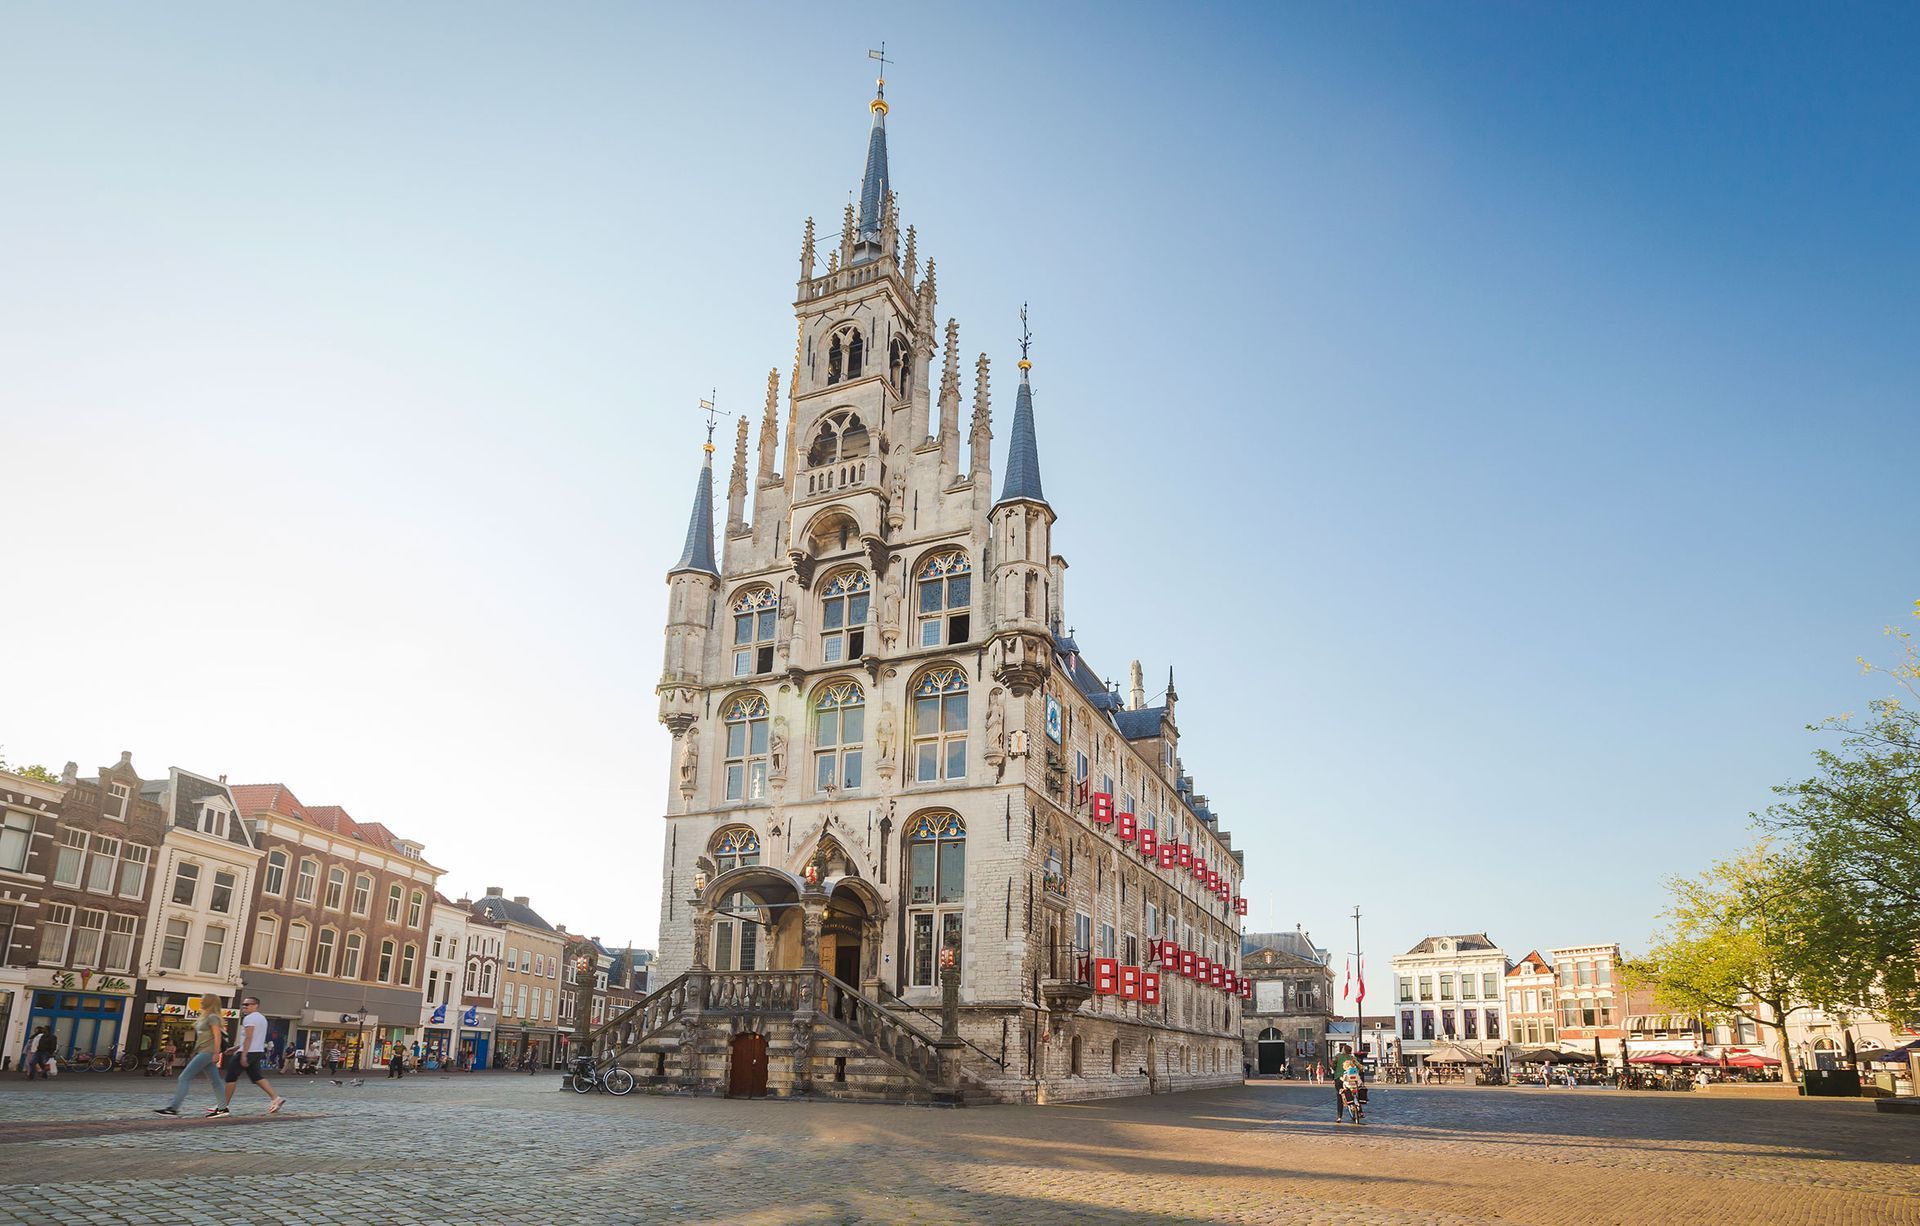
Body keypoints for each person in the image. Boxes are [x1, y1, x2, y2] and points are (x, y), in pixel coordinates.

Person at [212, 996, 286, 1116]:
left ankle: (223, 1107)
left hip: (248, 1052)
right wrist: (235, 1048)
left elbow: (249, 1037)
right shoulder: (262, 1019)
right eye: (244, 1004)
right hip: (257, 1051)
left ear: (255, 1005)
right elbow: (253, 1038)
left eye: (248, 1004)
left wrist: (243, 1054)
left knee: (231, 1077)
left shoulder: (249, 1018)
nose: (244, 1007)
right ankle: (276, 1098)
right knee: (256, 1077)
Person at [155, 997, 226, 1116]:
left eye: (204, 1000)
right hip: (203, 1051)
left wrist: (216, 1053)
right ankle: (223, 1108)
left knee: (184, 1077)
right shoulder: (206, 1017)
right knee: (215, 1081)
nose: (201, 1001)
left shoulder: (213, 1017)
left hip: (207, 1052)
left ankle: (173, 1108)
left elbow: (217, 1035)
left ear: (210, 1002)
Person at [1331, 1045, 1364, 1122]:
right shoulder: (1352, 1058)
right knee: (1357, 1092)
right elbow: (1359, 1066)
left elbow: (1332, 1064)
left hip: (1339, 1077)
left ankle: (1339, 1117)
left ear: (1342, 1050)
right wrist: (1361, 1070)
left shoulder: (1337, 1056)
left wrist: (1335, 1069)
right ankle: (1360, 1112)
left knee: (1340, 1096)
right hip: (1352, 1078)